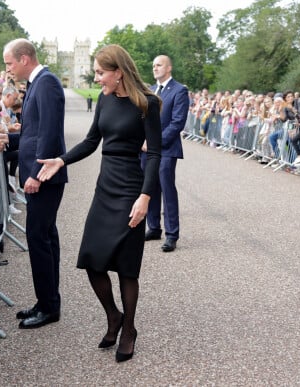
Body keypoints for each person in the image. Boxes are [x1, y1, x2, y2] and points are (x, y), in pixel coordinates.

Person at [37, 44, 161, 362]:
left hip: (132, 188)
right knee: (92, 260)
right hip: (105, 188)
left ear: (118, 72)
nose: (96, 78)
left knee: (126, 267)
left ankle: (129, 329)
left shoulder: (147, 103)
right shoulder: (104, 100)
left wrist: (145, 197)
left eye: (100, 72)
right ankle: (113, 316)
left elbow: (155, 154)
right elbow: (92, 141)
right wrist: (61, 161)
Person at [3, 38, 67, 329]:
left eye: (10, 63)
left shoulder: (47, 83)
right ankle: (47, 301)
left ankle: (48, 306)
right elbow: (31, 133)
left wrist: (35, 175)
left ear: (24, 58)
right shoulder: (37, 83)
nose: (9, 69)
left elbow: (50, 133)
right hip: (40, 174)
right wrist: (4, 142)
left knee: (39, 239)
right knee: (44, 237)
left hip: (43, 176)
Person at [143, 55, 189, 252]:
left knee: (167, 190)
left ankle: (172, 234)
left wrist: (155, 142)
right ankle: (154, 227)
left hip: (166, 149)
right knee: (149, 188)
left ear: (168, 68)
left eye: (159, 65)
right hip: (146, 149)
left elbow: (177, 122)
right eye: (153, 65)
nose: (155, 68)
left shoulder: (179, 90)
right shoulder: (150, 91)